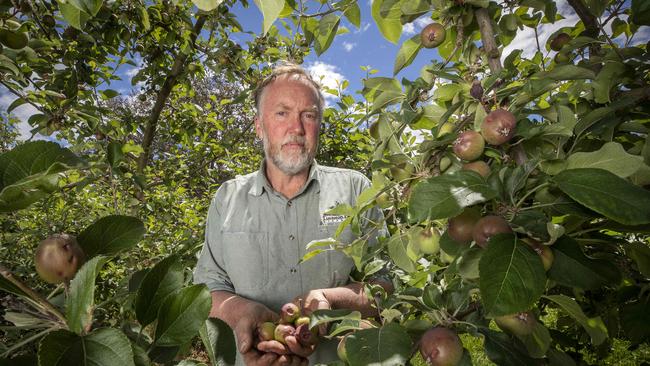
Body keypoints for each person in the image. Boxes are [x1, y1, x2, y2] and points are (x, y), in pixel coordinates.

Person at [193, 62, 388, 365]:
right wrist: (239, 311)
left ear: (318, 124)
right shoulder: (228, 198)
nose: (296, 128)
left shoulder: (356, 189)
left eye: (308, 115)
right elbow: (207, 288)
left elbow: (385, 285)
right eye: (282, 113)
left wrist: (332, 300)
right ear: (259, 126)